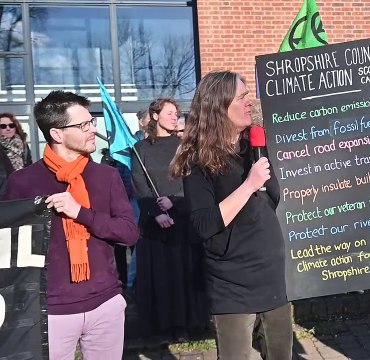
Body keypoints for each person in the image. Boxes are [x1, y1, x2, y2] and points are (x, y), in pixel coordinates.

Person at [2, 91, 138, 359]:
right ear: (57, 133)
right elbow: (9, 247)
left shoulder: (106, 175)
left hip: (105, 304)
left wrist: (81, 213)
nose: (92, 130)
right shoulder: (22, 183)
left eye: (92, 122)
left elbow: (129, 233)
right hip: (48, 311)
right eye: (83, 125)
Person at [171, 71, 292, 359]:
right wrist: (249, 185)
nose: (250, 102)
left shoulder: (256, 147)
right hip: (232, 286)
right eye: (242, 97)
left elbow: (269, 203)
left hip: (273, 279)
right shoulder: (199, 161)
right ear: (219, 106)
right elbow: (202, 225)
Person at [132, 98, 208, 343]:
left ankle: (188, 324)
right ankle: (163, 326)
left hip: (182, 222)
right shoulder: (140, 149)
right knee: (162, 277)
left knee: (183, 274)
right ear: (155, 116)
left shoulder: (184, 146)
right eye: (169, 113)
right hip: (155, 225)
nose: (175, 117)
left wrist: (174, 202)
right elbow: (139, 185)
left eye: (176, 113)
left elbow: (194, 182)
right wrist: (156, 211)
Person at [0, 113, 32, 196]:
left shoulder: (23, 145)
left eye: (11, 125)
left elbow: (28, 166)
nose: (8, 128)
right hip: (4, 192)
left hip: (23, 188)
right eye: (3, 126)